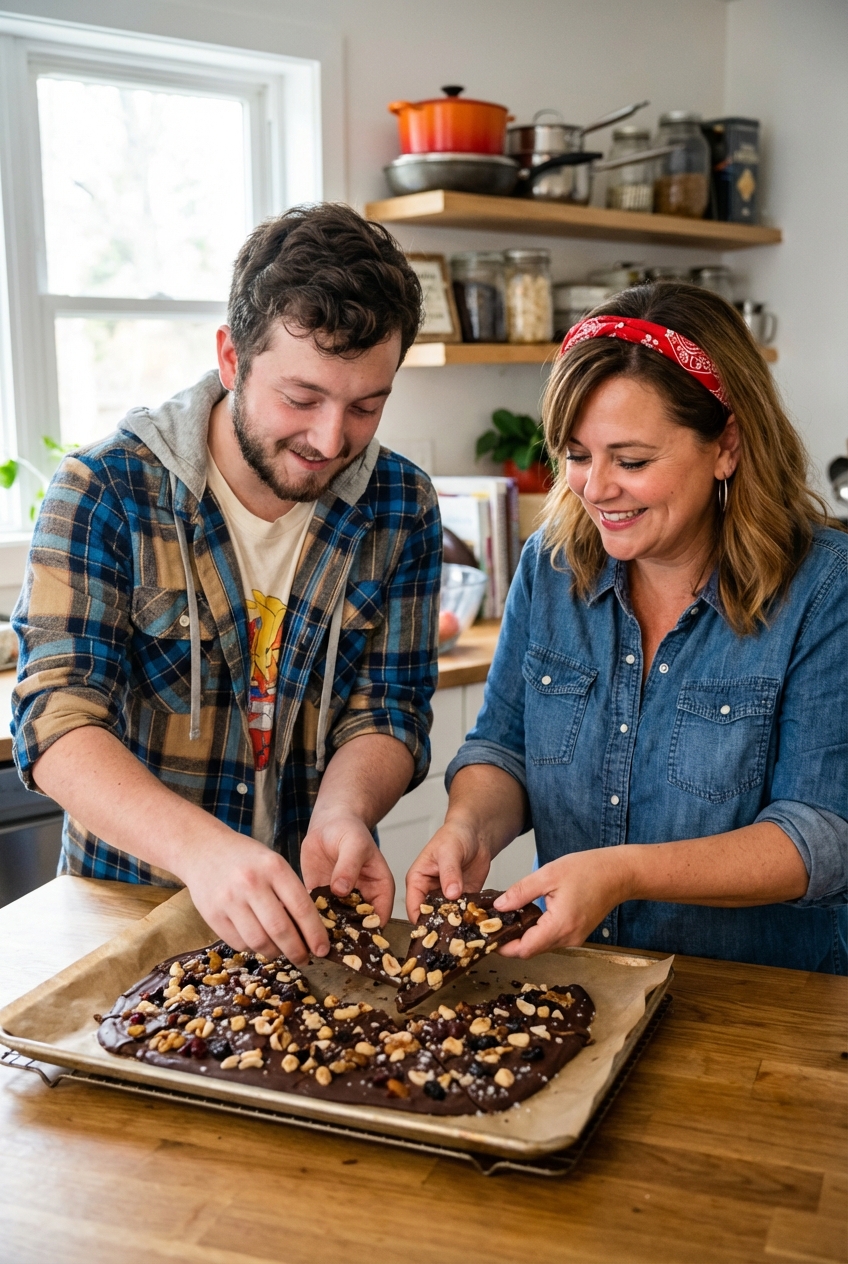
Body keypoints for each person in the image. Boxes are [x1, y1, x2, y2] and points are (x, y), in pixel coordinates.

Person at [12, 203, 442, 964]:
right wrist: (204, 853)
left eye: (366, 405)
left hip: (317, 926)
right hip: (131, 918)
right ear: (233, 359)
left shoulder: (401, 505)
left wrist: (345, 812)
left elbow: (389, 709)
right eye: (302, 398)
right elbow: (56, 721)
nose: (331, 438)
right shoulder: (105, 489)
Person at [408, 282, 847, 974]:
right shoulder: (549, 568)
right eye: (577, 455)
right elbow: (505, 749)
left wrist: (626, 872)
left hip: (760, 1002)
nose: (595, 488)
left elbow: (820, 837)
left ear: (726, 446)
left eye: (632, 461)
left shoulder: (824, 589)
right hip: (587, 984)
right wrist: (469, 828)